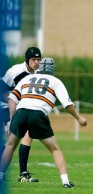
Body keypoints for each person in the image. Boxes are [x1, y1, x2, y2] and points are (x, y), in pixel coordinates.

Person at [0, 58, 87, 188]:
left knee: (10, 145)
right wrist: (79, 118)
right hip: (38, 114)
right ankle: (65, 182)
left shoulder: (26, 79)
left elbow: (12, 98)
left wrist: (13, 117)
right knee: (55, 149)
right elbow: (67, 104)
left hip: (21, 112)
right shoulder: (56, 81)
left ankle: (1, 176)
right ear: (53, 69)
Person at [0, 46, 41, 182]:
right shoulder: (15, 71)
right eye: (34, 59)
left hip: (21, 110)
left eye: (38, 59)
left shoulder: (38, 73)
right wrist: (14, 105)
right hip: (5, 107)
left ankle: (22, 173)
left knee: (25, 136)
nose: (36, 62)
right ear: (27, 60)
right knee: (10, 142)